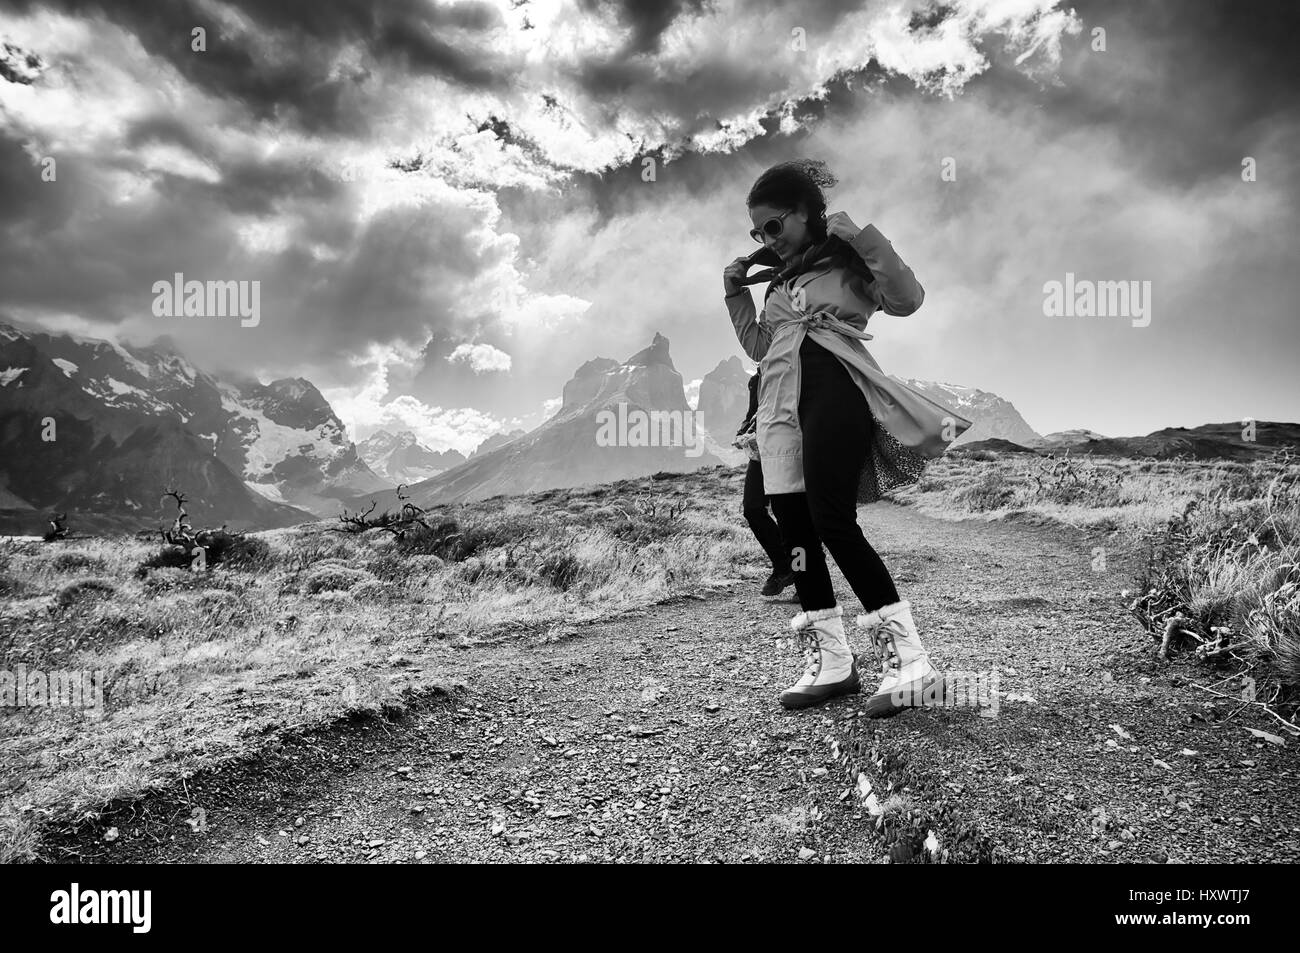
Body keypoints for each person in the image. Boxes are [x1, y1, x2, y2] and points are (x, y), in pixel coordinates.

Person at [721, 159, 973, 715]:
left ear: (808, 213)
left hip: (836, 393)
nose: (768, 240)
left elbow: (908, 298)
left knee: (832, 518)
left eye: (774, 226)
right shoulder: (779, 286)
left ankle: (914, 665)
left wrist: (859, 235)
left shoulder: (849, 260)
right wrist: (736, 293)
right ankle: (834, 664)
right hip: (779, 411)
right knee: (795, 529)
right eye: (758, 232)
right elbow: (761, 348)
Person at [734, 369, 796, 598]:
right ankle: (784, 566)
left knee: (793, 518)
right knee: (752, 508)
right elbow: (753, 413)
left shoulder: (792, 368)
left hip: (789, 449)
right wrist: (743, 430)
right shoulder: (756, 380)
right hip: (760, 452)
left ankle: (804, 575)